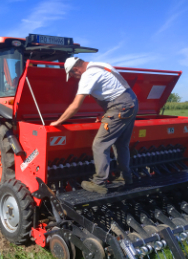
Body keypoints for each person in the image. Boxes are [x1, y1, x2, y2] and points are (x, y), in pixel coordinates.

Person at [50, 57, 139, 194]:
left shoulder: (88, 75)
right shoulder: (101, 65)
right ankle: (126, 178)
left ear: (75, 69)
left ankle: (99, 182)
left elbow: (75, 105)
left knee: (100, 144)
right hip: (131, 104)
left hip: (120, 108)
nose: (74, 78)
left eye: (73, 75)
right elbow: (113, 91)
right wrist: (108, 114)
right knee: (121, 144)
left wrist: (59, 121)